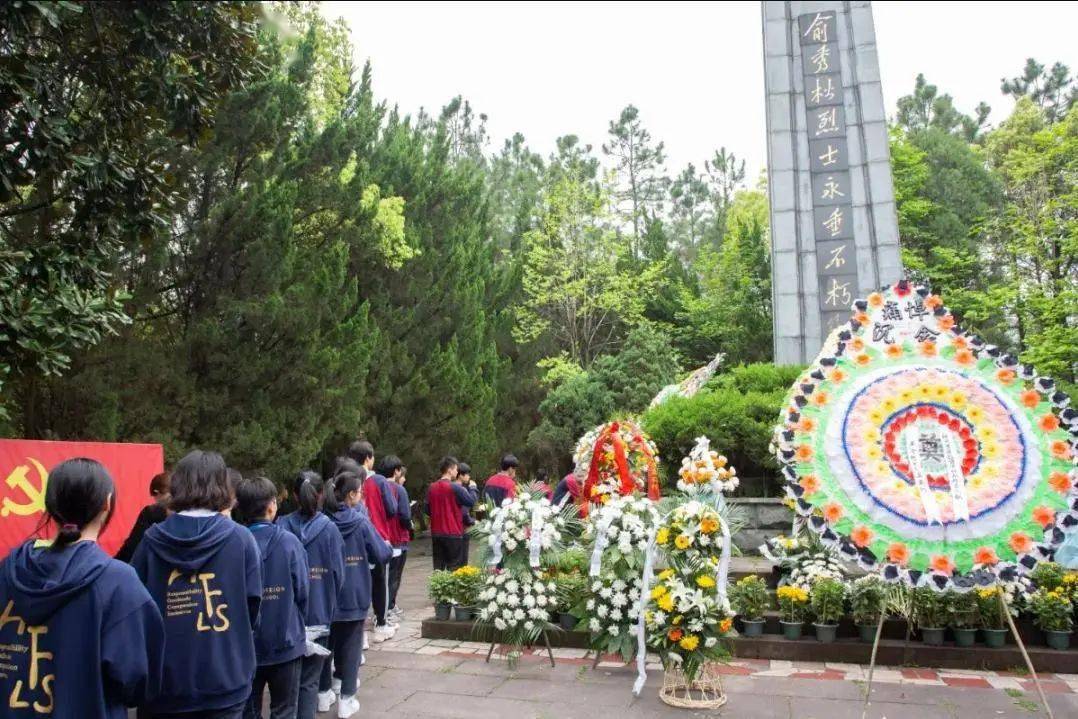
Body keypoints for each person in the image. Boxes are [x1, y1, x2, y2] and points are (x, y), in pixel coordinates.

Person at [0, 458, 165, 719]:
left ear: (50, 505)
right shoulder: (118, 582)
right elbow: (137, 681)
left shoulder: (8, 571)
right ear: (107, 504)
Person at [132, 450, 263, 719]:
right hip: (225, 678)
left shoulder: (151, 541)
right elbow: (252, 608)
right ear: (222, 486)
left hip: (165, 683)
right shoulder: (240, 540)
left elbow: (135, 611)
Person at [318, 470, 391, 718]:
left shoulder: (320, 521)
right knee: (350, 646)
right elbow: (381, 553)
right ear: (351, 495)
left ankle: (323, 692)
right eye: (360, 492)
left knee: (326, 644)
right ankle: (347, 698)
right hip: (354, 591)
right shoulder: (359, 522)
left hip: (325, 593)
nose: (362, 496)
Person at [234, 477, 309, 719]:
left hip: (246, 646)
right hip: (286, 641)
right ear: (272, 505)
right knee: (285, 710)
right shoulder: (289, 542)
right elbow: (303, 591)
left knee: (249, 711)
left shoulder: (234, 544)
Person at [278, 471, 344, 719]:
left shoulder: (281, 526)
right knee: (309, 682)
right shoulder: (330, 530)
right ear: (321, 495)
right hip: (319, 611)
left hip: (285, 616)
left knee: (286, 687)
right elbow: (338, 575)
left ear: (294, 495)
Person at [347, 440, 398, 643]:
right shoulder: (378, 481)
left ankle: (359, 634)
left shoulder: (343, 478)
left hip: (352, 540)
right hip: (376, 536)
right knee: (379, 583)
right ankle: (381, 624)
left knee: (357, 581)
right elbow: (392, 508)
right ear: (368, 458)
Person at [425, 456, 475, 570]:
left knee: (439, 569)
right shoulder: (455, 488)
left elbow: (427, 509)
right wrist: (473, 488)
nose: (457, 472)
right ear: (449, 470)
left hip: (437, 533)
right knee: (454, 568)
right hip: (453, 532)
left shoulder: (431, 487)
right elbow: (470, 501)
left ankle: (439, 588)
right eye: (456, 469)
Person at [115, 470, 171, 563]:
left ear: (157, 493)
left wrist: (115, 564)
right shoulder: (192, 511)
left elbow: (132, 545)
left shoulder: (151, 513)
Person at [379, 456, 410, 621]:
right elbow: (405, 515)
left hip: (381, 538)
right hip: (398, 538)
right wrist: (409, 525)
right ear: (396, 471)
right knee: (394, 575)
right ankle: (389, 607)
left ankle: (384, 607)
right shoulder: (399, 490)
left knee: (383, 576)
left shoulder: (376, 486)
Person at [456, 462, 479, 565]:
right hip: (461, 528)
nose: (469, 477)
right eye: (467, 474)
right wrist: (473, 488)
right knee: (462, 561)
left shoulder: (450, 487)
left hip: (451, 529)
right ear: (460, 475)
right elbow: (465, 510)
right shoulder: (461, 489)